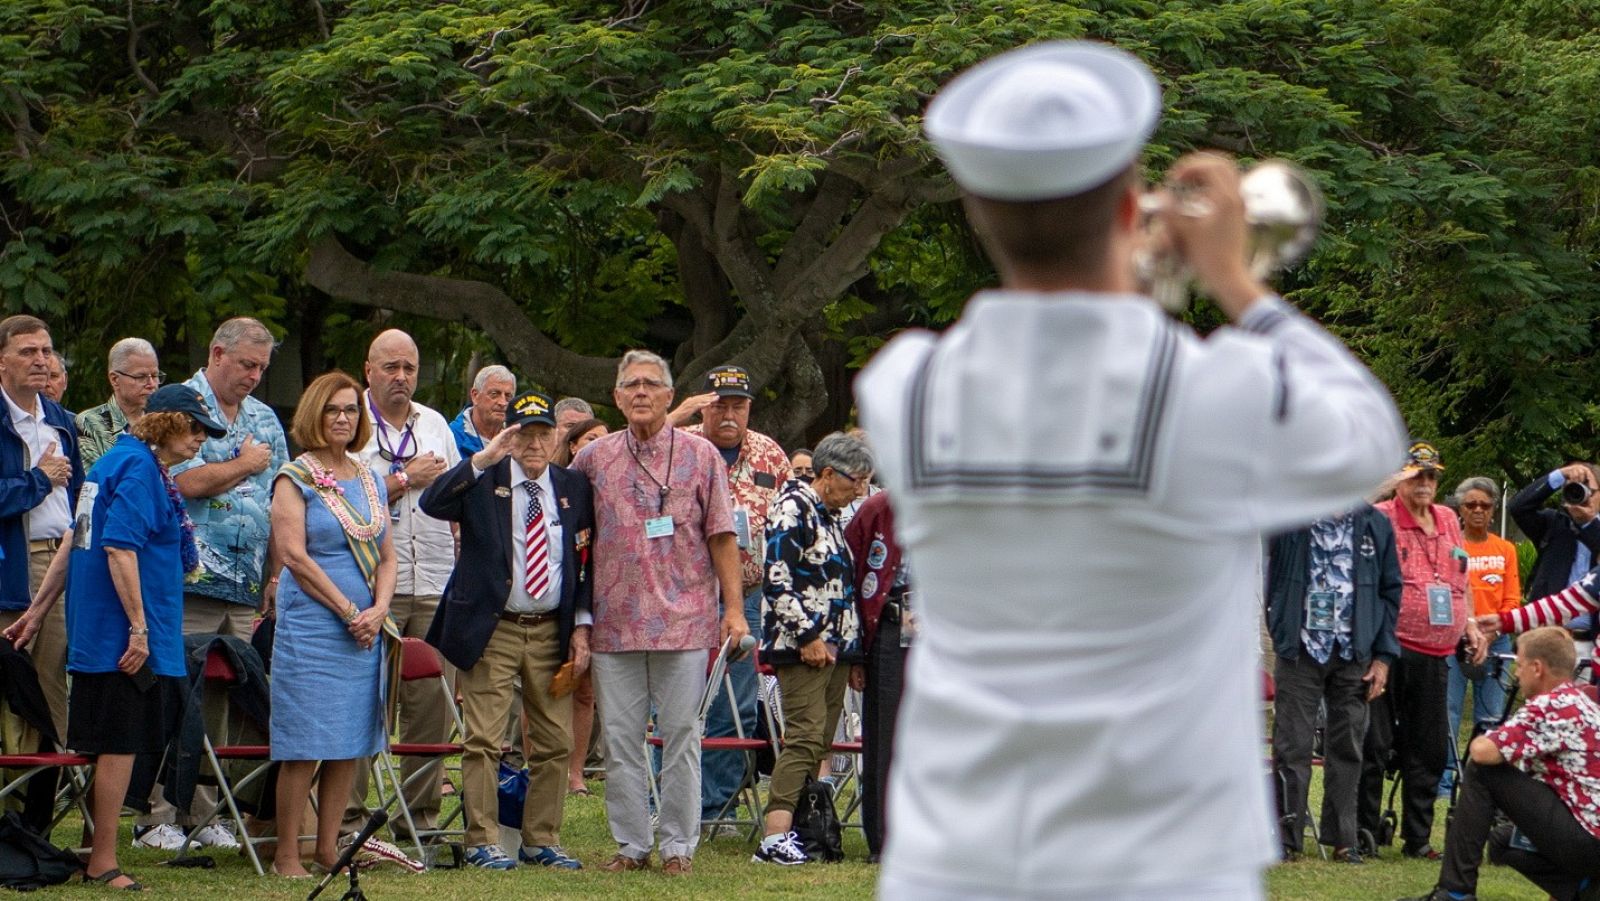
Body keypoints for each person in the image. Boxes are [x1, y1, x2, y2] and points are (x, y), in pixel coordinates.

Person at [852, 41, 1407, 900]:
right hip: (1164, 859)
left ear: (978, 212)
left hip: (954, 856)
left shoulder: (903, 387)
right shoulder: (1208, 389)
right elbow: (1371, 437)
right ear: (1126, 206)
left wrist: (1125, 276)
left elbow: (1065, 378)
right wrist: (1231, 277)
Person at [3, 385, 225, 891]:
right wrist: (139, 629)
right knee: (119, 747)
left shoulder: (111, 463)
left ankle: (94, 850)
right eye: (194, 428)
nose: (200, 439)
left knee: (113, 745)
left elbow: (72, 540)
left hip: (103, 633)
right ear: (167, 423)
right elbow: (118, 547)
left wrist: (36, 613)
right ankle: (103, 859)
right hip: (122, 639)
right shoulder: (140, 470)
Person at [570, 349, 748, 876]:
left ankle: (677, 847)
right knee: (621, 741)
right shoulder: (594, 458)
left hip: (686, 619)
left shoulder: (701, 455)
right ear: (617, 397)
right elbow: (565, 522)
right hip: (614, 622)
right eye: (631, 385)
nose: (641, 392)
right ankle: (631, 844)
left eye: (651, 384)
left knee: (681, 738)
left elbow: (723, 535)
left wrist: (734, 610)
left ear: (671, 396)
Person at [420, 390, 595, 871]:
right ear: (508, 437)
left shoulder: (573, 486)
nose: (534, 444)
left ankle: (541, 839)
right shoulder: (484, 478)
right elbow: (432, 502)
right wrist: (482, 459)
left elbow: (585, 559)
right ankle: (482, 840)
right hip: (493, 628)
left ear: (556, 437)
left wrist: (582, 626)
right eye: (524, 434)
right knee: (483, 738)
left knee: (555, 741)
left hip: (551, 630)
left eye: (543, 434)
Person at [153, 317, 286, 851]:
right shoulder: (181, 407)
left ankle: (204, 811)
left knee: (223, 701)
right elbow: (180, 481)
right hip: (191, 578)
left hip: (246, 583)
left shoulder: (265, 418)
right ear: (216, 353)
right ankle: (157, 814)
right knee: (176, 692)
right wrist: (243, 463)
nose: (254, 376)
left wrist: (275, 573)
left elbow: (280, 502)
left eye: (262, 368)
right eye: (247, 364)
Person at [268, 371, 394, 877]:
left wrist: (378, 610)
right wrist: (347, 611)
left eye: (351, 409)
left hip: (364, 630)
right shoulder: (293, 477)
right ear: (313, 414)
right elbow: (293, 556)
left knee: (349, 744)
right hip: (314, 626)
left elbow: (387, 556)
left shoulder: (369, 477)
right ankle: (286, 854)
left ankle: (327, 849)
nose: (343, 418)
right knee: (305, 744)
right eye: (333, 409)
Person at [339, 329, 459, 842]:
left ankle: (420, 817)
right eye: (391, 367)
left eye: (409, 367)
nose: (402, 377)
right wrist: (404, 479)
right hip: (369, 587)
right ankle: (347, 818)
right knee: (364, 703)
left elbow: (456, 497)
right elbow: (338, 504)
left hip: (433, 577)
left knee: (432, 706)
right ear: (368, 370)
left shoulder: (434, 424)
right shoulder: (348, 423)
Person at [1398, 627, 1600, 901]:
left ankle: (1455, 892)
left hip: (1587, 839)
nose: (1516, 674)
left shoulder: (1551, 705)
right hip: (1590, 835)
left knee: (1481, 770)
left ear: (1537, 668)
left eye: (1520, 665)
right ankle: (1585, 889)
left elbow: (1483, 751)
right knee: (1503, 842)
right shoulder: (1580, 701)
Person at [1362, 443, 1487, 861]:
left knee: (1429, 747)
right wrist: (1385, 483)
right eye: (1416, 475)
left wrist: (1470, 622)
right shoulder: (1380, 516)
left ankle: (1417, 838)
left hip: (1437, 651)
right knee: (1376, 742)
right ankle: (1364, 830)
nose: (1425, 483)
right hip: (1389, 648)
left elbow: (1461, 579)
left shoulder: (1448, 518)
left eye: (1431, 476)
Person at [679, 365, 792, 824]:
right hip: (684, 595)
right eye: (719, 405)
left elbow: (789, 525)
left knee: (736, 703)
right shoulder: (677, 445)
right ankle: (666, 803)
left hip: (748, 596)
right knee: (676, 701)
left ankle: (716, 807)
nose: (728, 414)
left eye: (738, 406)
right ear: (703, 408)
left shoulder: (770, 454)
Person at [752, 432, 871, 865]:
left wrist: (853, 654)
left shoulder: (830, 516)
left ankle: (805, 829)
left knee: (820, 741)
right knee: (803, 738)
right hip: (802, 648)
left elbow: (839, 589)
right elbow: (777, 579)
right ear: (828, 474)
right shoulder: (793, 506)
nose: (860, 490)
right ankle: (773, 838)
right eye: (856, 480)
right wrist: (807, 637)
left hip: (837, 650)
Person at [1264, 503, 1402, 863]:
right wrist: (1281, 629)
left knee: (1348, 747)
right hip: (1301, 649)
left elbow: (1391, 592)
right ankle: (1286, 837)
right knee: (1293, 744)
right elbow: (1270, 573)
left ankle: (1343, 839)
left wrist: (1383, 657)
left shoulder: (1376, 523)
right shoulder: (1290, 517)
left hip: (1354, 652)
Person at [0, 315, 82, 746]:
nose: (41, 361)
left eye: (46, 351)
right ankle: (12, 787)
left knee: (52, 684)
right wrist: (39, 480)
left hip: (63, 560)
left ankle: (50, 784)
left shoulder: (60, 420)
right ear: (2, 361)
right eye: (28, 351)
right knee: (13, 683)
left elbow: (82, 496)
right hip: (14, 563)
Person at [844, 488, 909, 863]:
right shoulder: (877, 508)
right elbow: (850, 580)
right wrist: (856, 653)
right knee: (884, 734)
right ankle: (884, 840)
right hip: (890, 626)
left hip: (947, 629)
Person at [553, 416, 608, 794]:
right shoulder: (556, 484)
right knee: (550, 687)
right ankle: (542, 768)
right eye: (591, 439)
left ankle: (576, 773)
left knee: (584, 690)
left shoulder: (612, 488)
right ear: (573, 446)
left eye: (606, 439)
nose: (600, 446)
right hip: (556, 595)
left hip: (598, 595)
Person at [1449, 477, 1520, 750]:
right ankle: (1447, 774)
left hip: (1496, 640)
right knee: (1449, 711)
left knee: (1492, 715)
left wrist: (1490, 634)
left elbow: (1512, 599)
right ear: (1460, 509)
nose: (1478, 510)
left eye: (1485, 505)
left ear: (1493, 510)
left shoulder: (1506, 549)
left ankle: (1483, 773)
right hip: (1454, 640)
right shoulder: (1451, 547)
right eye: (1471, 505)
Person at [1510, 463, 1600, 654]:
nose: (1581, 494)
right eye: (1574, 488)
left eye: (1588, 490)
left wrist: (1589, 524)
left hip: (1592, 642)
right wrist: (1560, 475)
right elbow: (1518, 508)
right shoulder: (1553, 524)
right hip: (1549, 638)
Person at [76, 338, 163, 470]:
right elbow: (95, 478)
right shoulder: (90, 423)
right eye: (141, 377)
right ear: (115, 379)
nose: (151, 384)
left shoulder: (164, 421)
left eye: (155, 376)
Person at [449, 365, 515, 458]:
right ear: (475, 396)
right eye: (494, 394)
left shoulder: (517, 439)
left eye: (508, 396)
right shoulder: (451, 436)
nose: (503, 402)